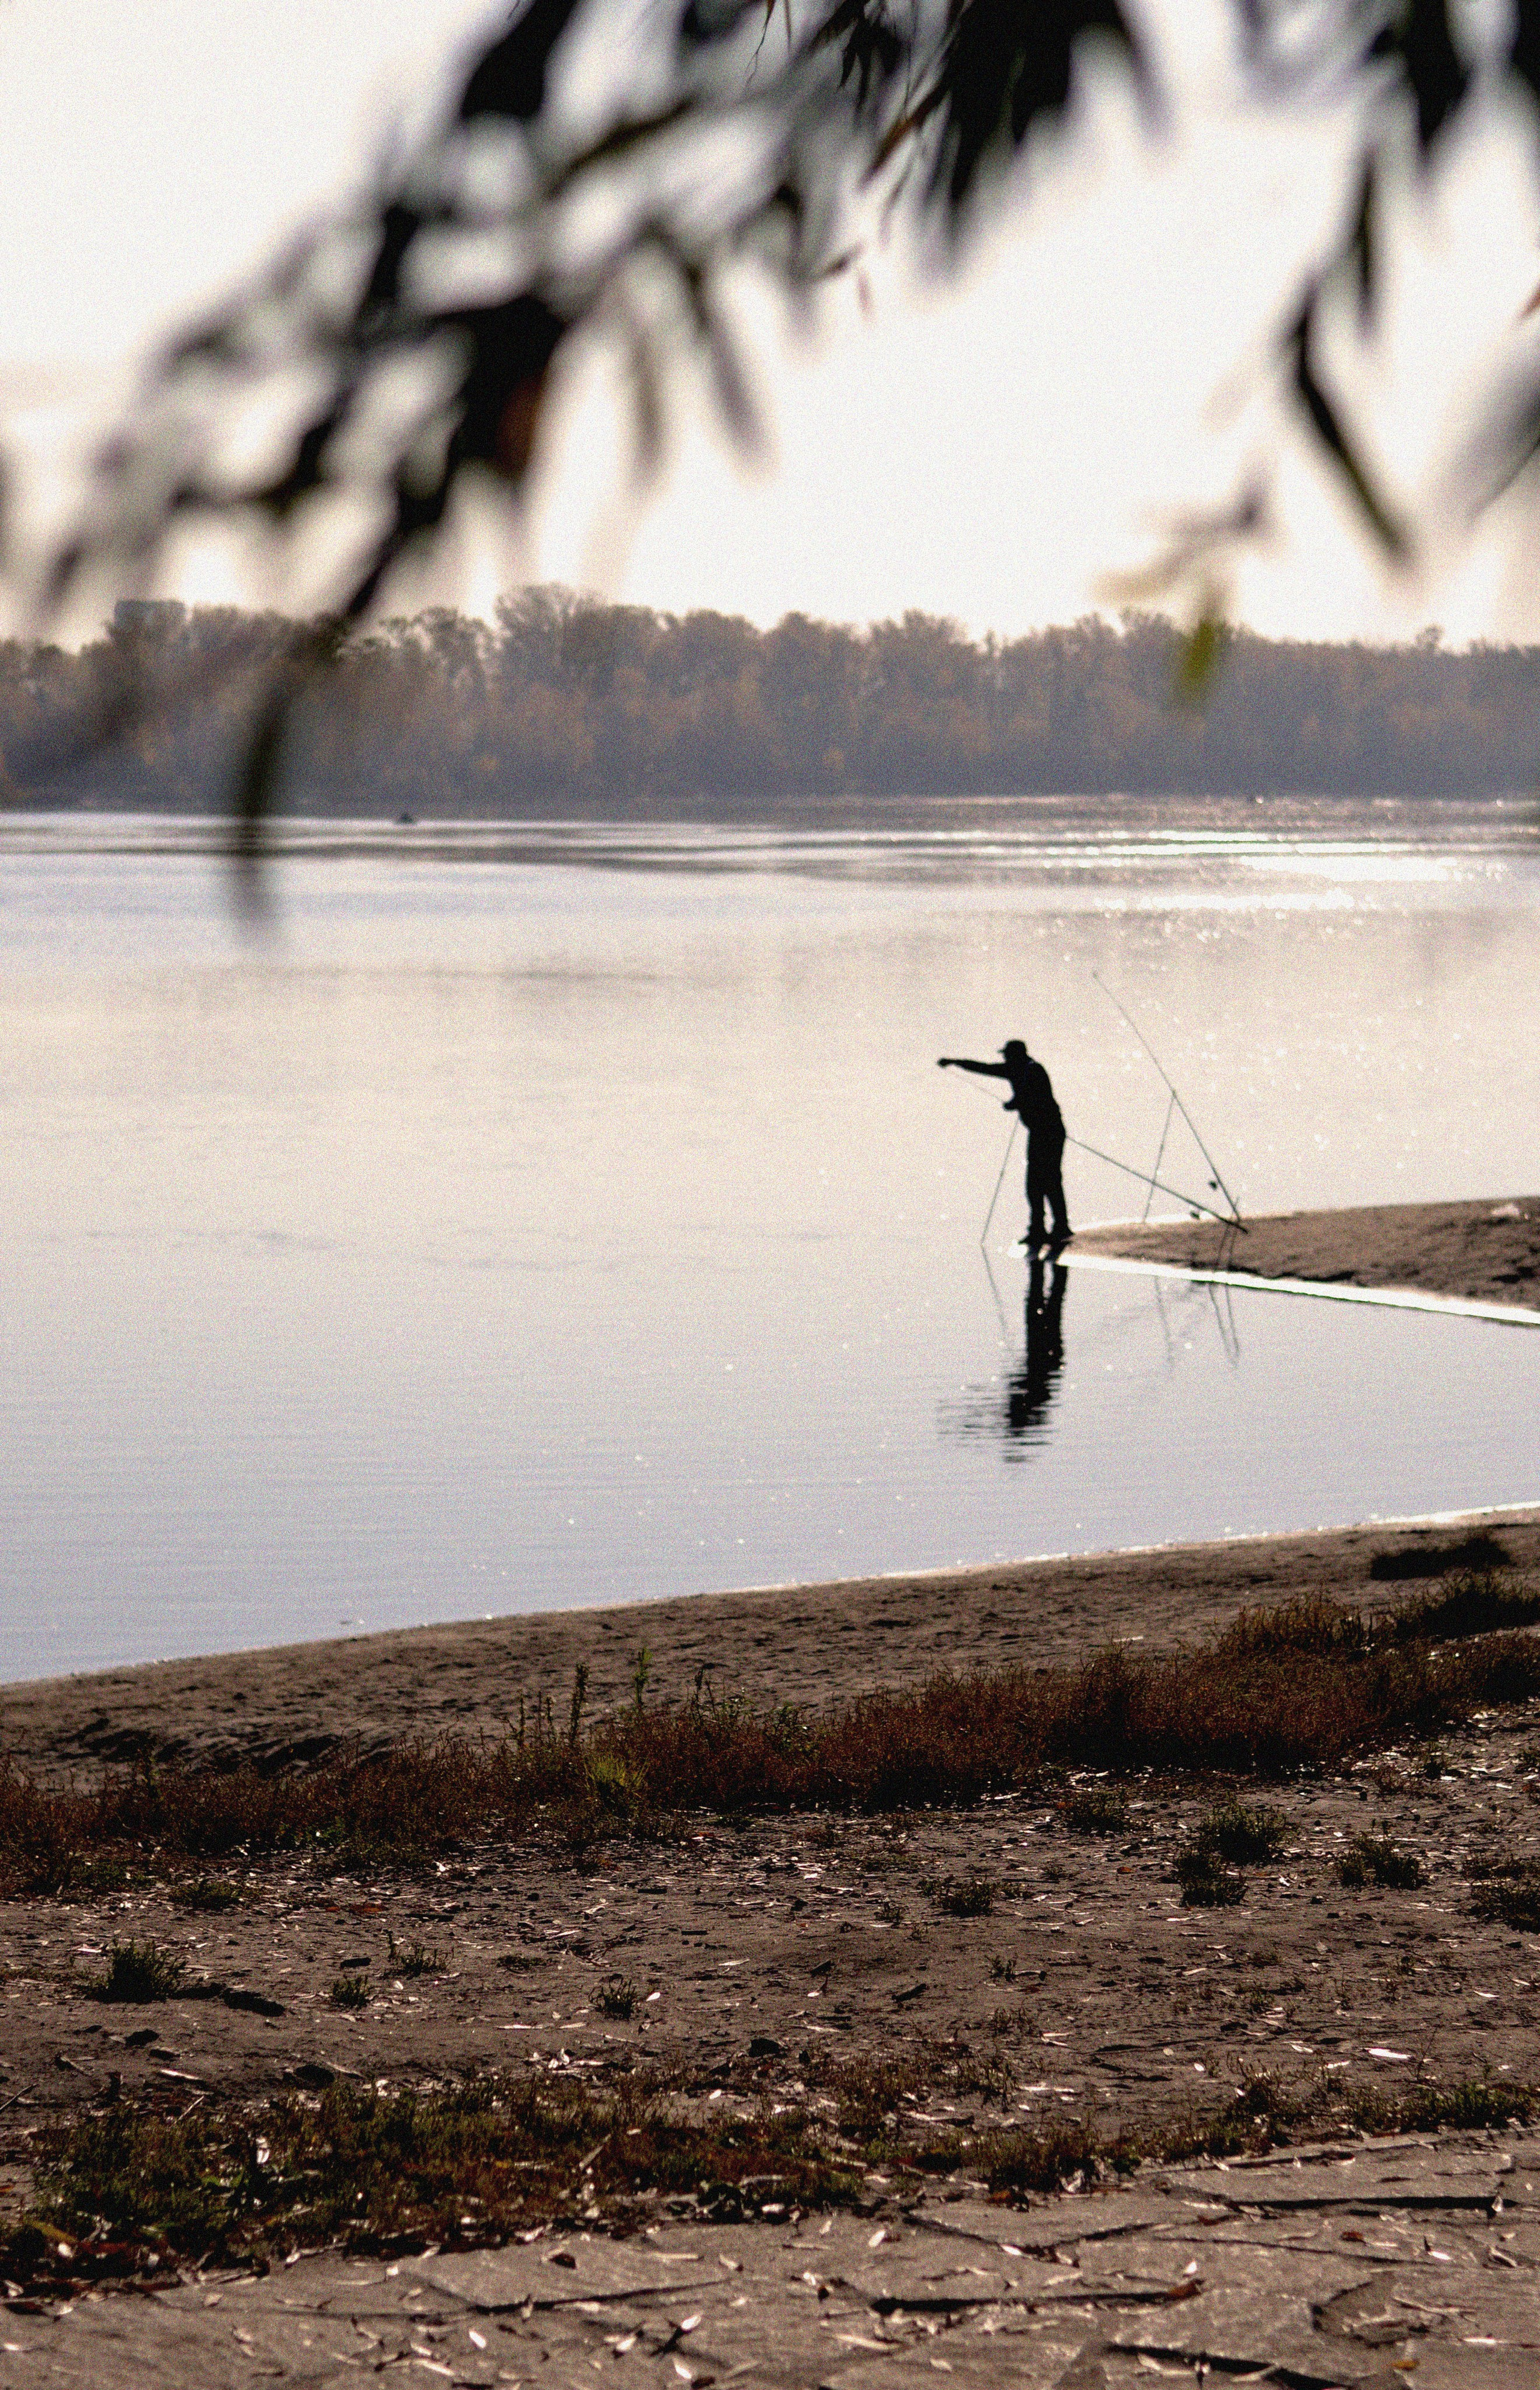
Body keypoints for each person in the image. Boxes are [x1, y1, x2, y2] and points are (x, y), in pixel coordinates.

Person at [938, 1039, 1071, 1252]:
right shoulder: (1016, 1069)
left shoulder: (1033, 1071)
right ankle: (1039, 1229)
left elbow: (1027, 1097)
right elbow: (983, 1068)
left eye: (1007, 1056)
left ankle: (1060, 1227)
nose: (1005, 1059)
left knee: (1049, 1179)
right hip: (1039, 1133)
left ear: (1016, 1055)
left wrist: (1013, 1104)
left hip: (1049, 1132)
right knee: (1035, 1183)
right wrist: (955, 1062)